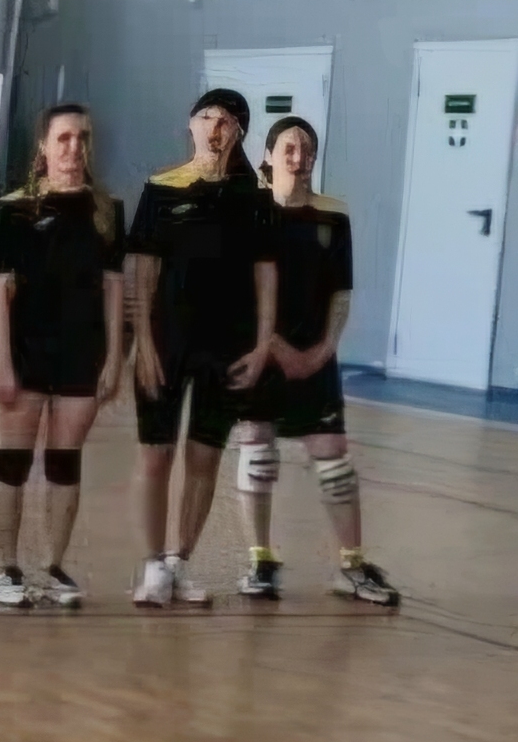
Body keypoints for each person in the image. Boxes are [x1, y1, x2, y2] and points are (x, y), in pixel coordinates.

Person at [230, 116, 399, 607]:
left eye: (307, 150)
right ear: (267, 156)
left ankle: (352, 566)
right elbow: (236, 293)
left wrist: (323, 350)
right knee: (257, 450)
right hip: (261, 354)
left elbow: (340, 293)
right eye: (289, 148)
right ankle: (261, 562)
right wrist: (274, 346)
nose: (299, 158)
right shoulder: (248, 215)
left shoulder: (333, 216)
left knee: (333, 456)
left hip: (316, 357)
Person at [127, 87, 279, 608]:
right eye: (207, 116)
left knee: (204, 458)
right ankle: (152, 565)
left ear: (240, 133)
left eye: (227, 120)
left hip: (227, 347)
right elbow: (142, 271)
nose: (215, 127)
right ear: (190, 125)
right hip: (167, 341)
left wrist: (262, 345)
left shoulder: (255, 197)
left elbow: (265, 275)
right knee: (156, 455)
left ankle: (178, 563)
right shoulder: (161, 189)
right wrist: (144, 344)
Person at [0, 103, 126, 608]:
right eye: (63, 138)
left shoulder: (107, 210)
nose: (74, 147)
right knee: (13, 461)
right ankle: (8, 569)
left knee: (65, 462)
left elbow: (114, 289)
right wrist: (3, 363)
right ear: (44, 145)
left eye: (82, 137)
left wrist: (114, 358)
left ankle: (54, 567)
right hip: (23, 352)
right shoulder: (16, 208)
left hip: (81, 354)